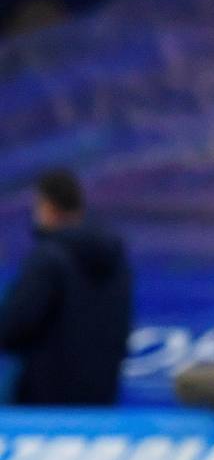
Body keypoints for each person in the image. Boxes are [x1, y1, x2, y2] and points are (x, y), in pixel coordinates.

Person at [0, 169, 132, 405]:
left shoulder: (47, 259)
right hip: (100, 398)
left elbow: (14, 326)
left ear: (47, 206)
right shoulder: (117, 262)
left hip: (45, 405)